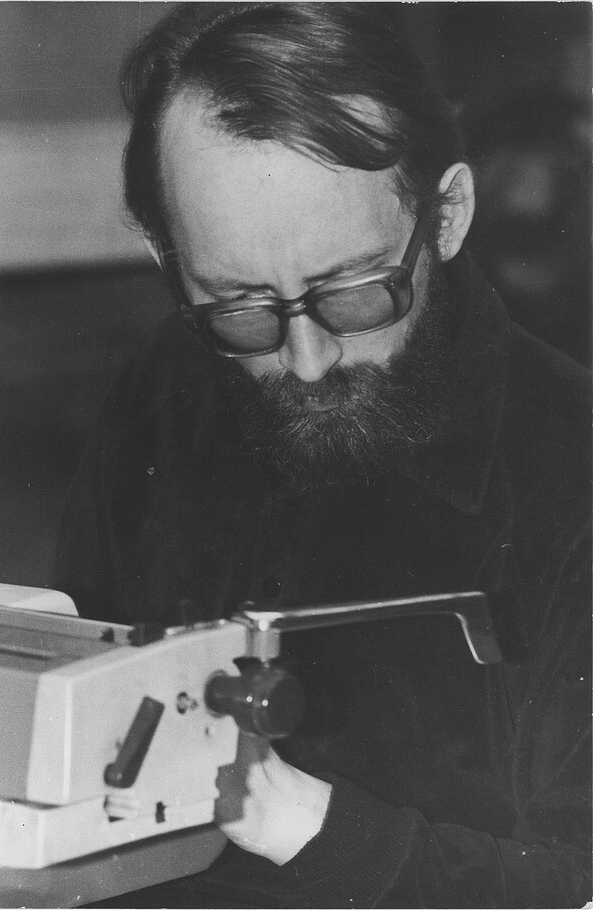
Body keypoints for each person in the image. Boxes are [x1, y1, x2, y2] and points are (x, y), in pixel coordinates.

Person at [54, 4, 591, 907]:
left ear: (447, 216)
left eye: (353, 294)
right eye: (241, 309)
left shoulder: (573, 469)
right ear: (163, 255)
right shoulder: (165, 387)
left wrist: (302, 820)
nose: (305, 363)